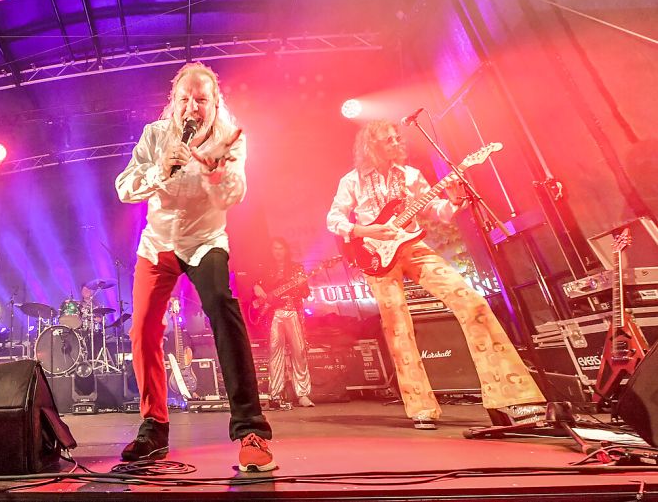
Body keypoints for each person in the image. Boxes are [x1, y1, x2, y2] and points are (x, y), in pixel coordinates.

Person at [326, 120, 546, 429]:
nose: (395, 142)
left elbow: (436, 211)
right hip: (375, 255)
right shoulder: (353, 181)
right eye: (387, 139)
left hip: (414, 247)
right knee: (398, 327)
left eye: (396, 138)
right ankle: (421, 408)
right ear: (370, 145)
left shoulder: (411, 176)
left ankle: (510, 396)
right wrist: (368, 229)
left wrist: (453, 202)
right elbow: (334, 220)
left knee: (472, 302)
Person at [115, 62, 274, 472]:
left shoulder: (231, 138)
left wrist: (215, 171)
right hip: (158, 244)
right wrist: (158, 169)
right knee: (143, 328)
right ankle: (153, 428)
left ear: (215, 102)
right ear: (173, 102)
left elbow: (233, 196)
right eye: (185, 99)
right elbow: (123, 188)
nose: (192, 107)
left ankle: (250, 429)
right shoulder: (155, 135)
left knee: (222, 305)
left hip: (205, 240)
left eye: (201, 99)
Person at [253, 237, 315, 408]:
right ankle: (276, 394)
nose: (277, 251)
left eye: (280, 248)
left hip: (292, 311)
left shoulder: (296, 268)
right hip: (274, 314)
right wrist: (256, 288)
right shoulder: (265, 270)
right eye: (275, 248)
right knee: (275, 352)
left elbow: (305, 293)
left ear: (286, 250)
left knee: (299, 351)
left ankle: (302, 394)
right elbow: (257, 288)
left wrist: (302, 285)